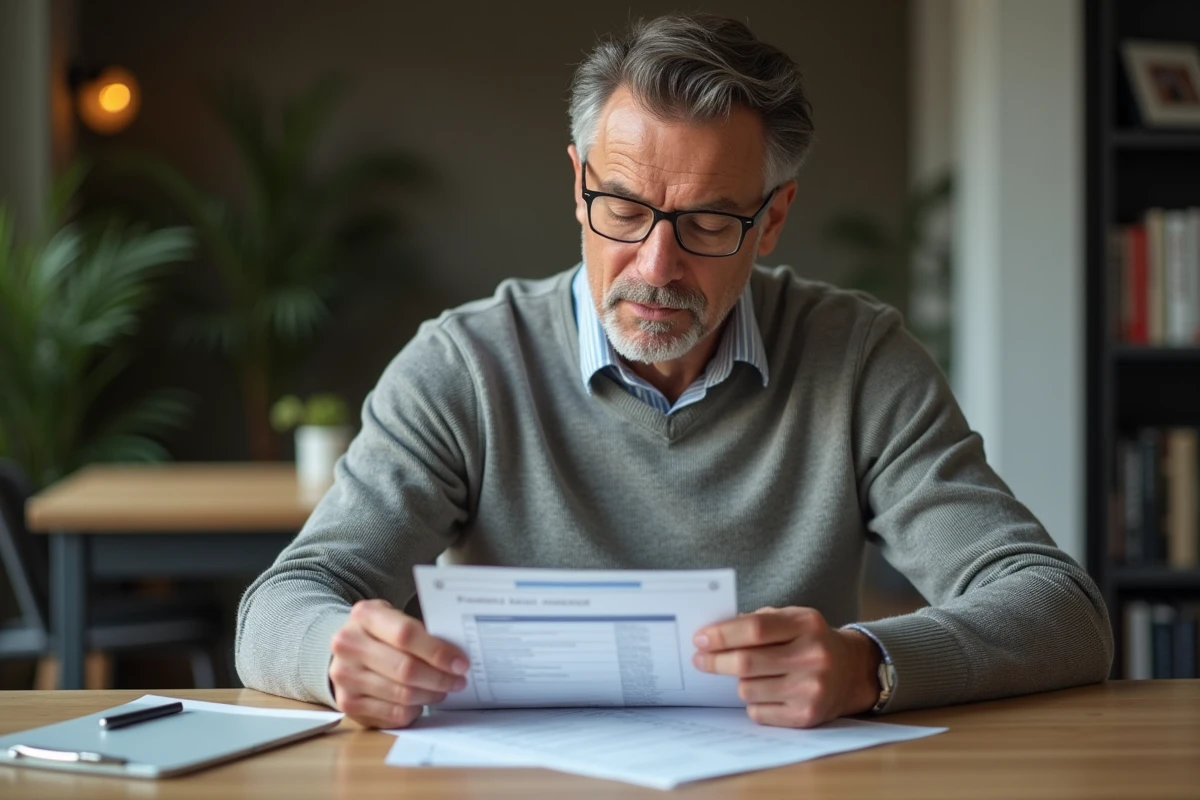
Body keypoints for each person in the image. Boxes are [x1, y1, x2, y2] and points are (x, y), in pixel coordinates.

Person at [236, 13, 1113, 730]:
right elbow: (283, 604)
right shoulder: (465, 365)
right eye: (623, 208)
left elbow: (1061, 610)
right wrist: (336, 652)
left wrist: (869, 665)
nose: (656, 266)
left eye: (708, 222)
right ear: (579, 184)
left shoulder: (857, 359)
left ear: (772, 221)